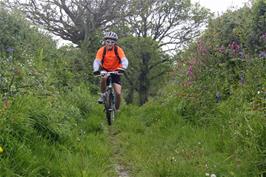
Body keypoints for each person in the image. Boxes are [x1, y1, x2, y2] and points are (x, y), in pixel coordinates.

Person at [93, 32, 128, 111]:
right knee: (104, 78)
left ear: (115, 43)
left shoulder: (118, 49)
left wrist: (123, 68)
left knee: (118, 93)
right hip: (105, 69)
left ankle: (117, 109)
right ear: (105, 42)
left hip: (116, 70)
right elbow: (97, 61)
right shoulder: (101, 50)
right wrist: (96, 70)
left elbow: (124, 60)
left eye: (112, 42)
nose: (110, 44)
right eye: (108, 42)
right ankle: (103, 95)